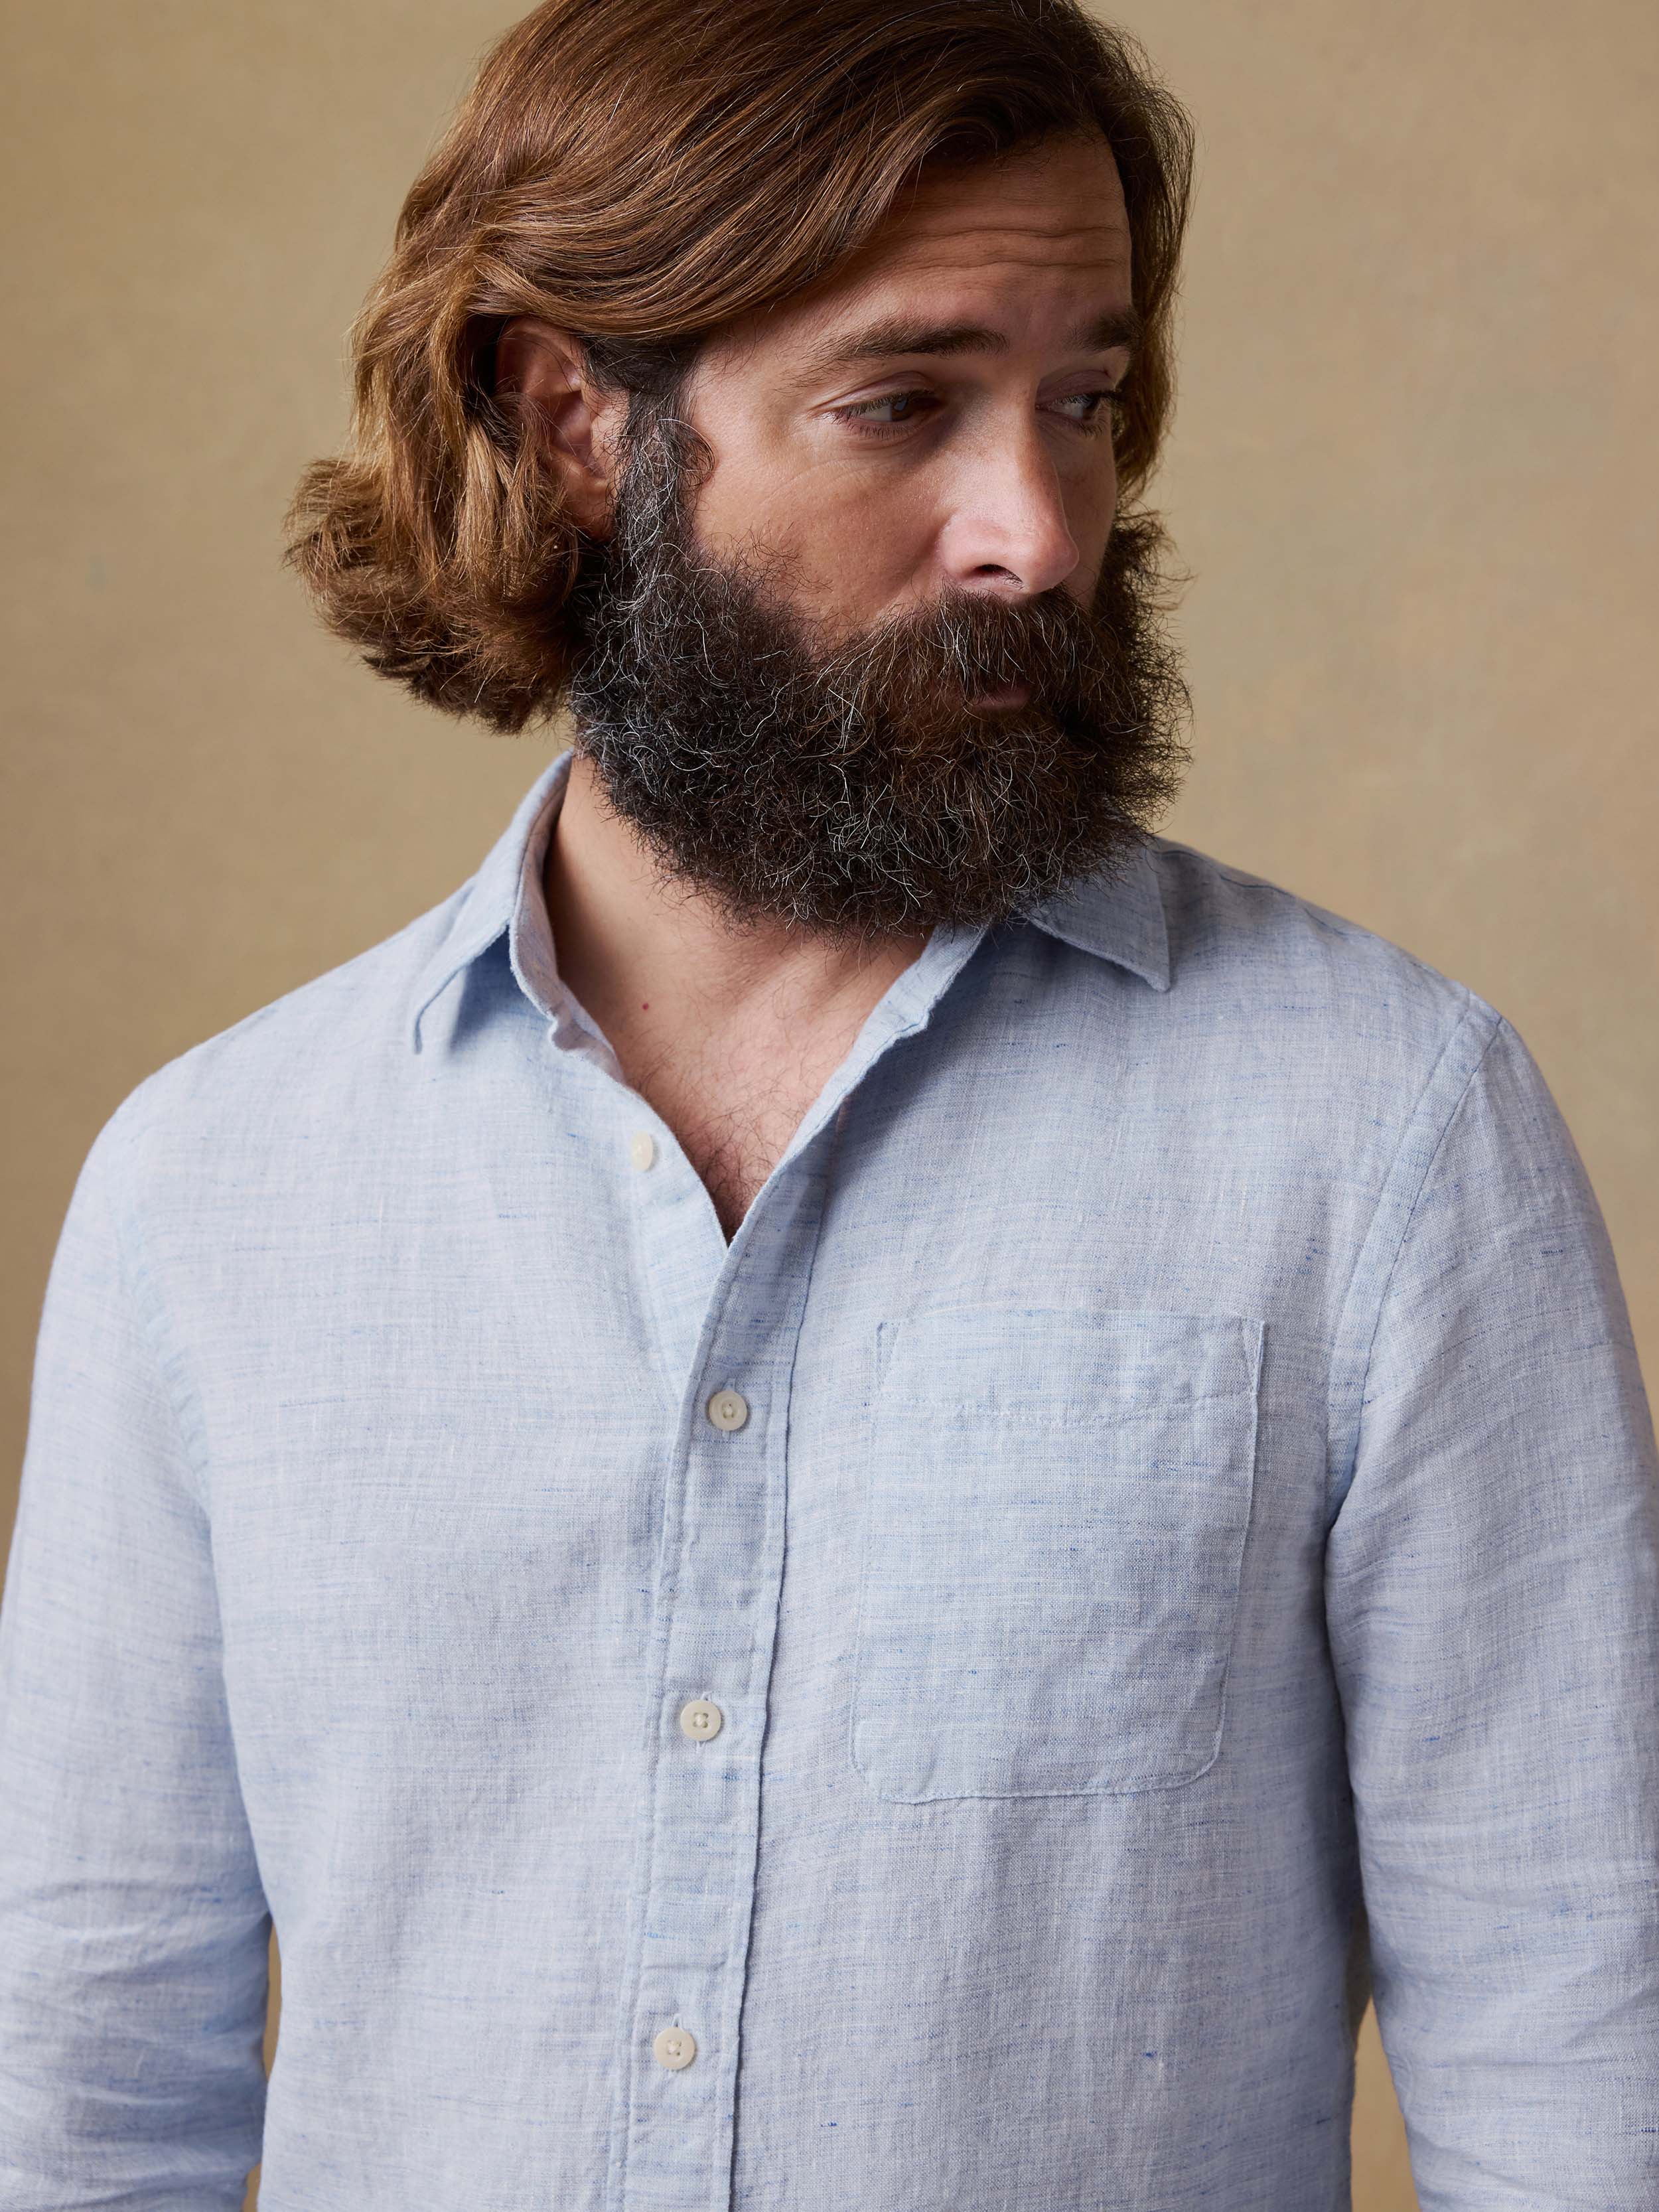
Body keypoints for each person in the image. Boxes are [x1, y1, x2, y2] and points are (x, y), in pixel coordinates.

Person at [1, 0, 1654, 2203]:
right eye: (906, 403)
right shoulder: (214, 1187)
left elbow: (1576, 2053)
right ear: (574, 416)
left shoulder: (1380, 1132)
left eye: (1083, 401)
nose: (1038, 530)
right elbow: (88, 2074)